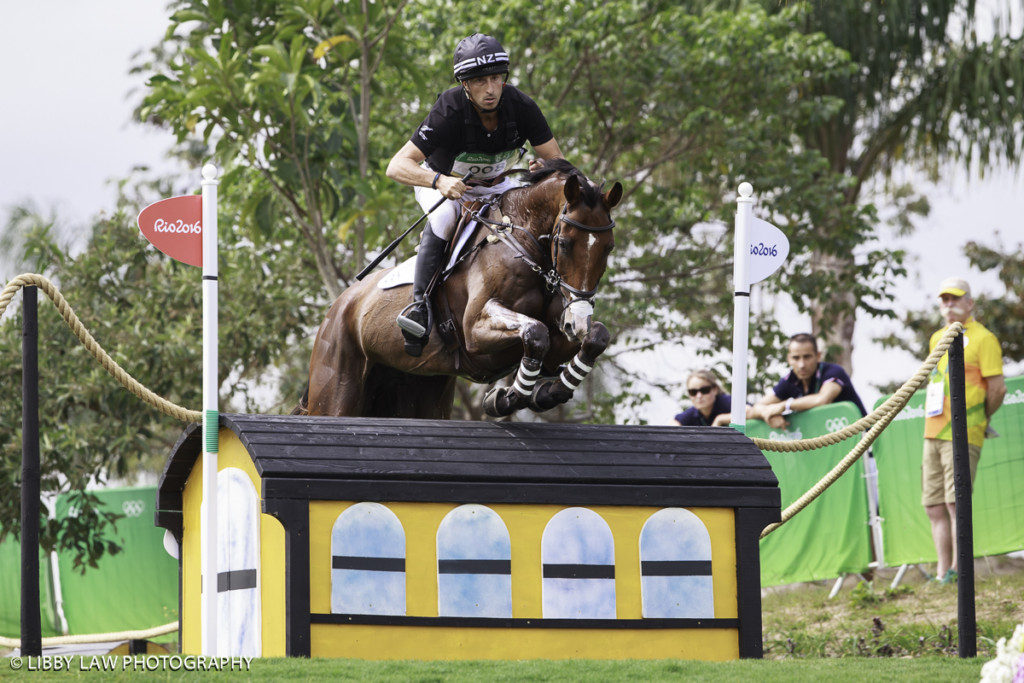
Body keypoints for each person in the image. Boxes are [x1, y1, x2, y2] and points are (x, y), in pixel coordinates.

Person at [385, 33, 565, 356]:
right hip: (447, 184)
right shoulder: (449, 109)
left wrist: (545, 170)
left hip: (499, 185)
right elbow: (396, 166)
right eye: (481, 81)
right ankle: (419, 308)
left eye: (496, 78)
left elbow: (559, 164)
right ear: (466, 85)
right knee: (442, 217)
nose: (491, 89)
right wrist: (438, 181)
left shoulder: (522, 106)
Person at [921, 277, 1005, 584]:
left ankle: (959, 571)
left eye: (955, 298)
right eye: (944, 299)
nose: (949, 304)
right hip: (932, 429)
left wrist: (979, 418)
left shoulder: (985, 338)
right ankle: (943, 571)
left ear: (970, 303)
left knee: (957, 503)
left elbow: (997, 389)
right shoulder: (936, 338)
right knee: (933, 505)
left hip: (964, 430)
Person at [753, 333, 868, 429]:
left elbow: (822, 399)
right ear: (789, 359)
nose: (802, 364)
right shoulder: (790, 380)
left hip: (866, 443)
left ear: (818, 356)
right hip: (832, 448)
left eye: (807, 357)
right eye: (796, 358)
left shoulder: (834, 372)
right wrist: (767, 414)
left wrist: (784, 405)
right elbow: (758, 406)